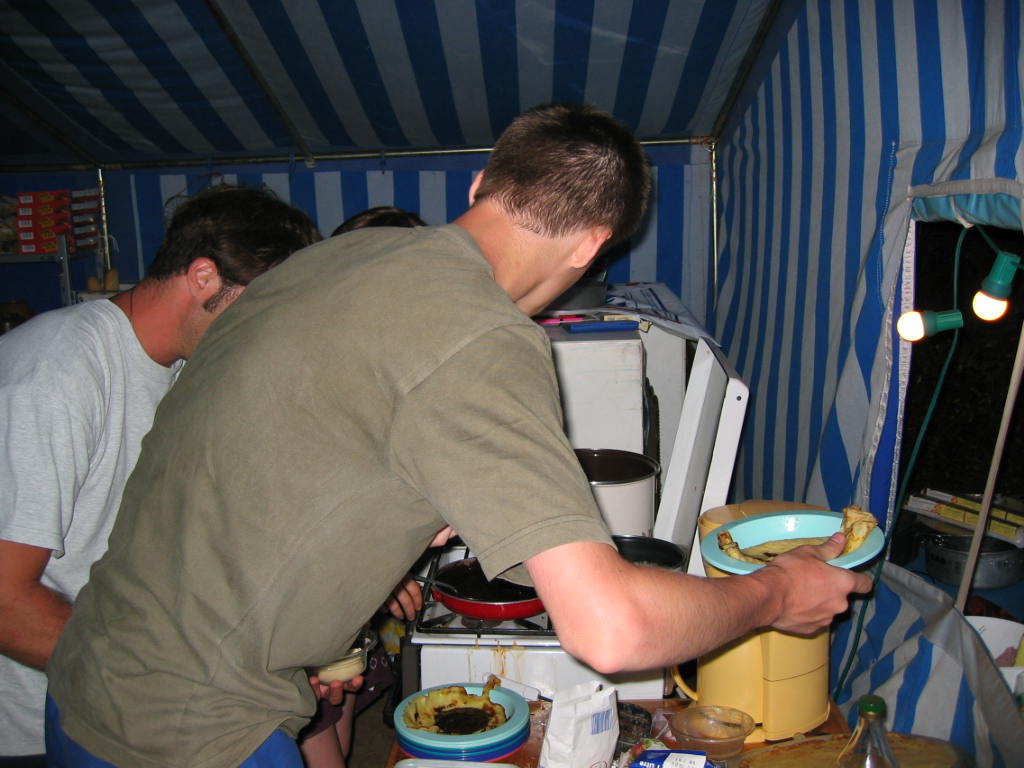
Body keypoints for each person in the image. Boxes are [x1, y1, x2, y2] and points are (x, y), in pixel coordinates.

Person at [45, 103, 872, 768]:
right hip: (191, 734)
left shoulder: (322, 265)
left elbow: (270, 456)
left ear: (479, 184)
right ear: (593, 246)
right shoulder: (480, 337)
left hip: (85, 681)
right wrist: (776, 593)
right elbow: (612, 628)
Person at [0, 184, 321, 765]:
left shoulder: (183, 371)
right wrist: (175, 687)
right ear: (203, 277)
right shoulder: (56, 374)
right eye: (264, 306)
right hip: (48, 717)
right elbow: (5, 599)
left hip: (125, 704)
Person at [300, 205, 426, 768]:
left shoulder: (378, 355)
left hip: (345, 603)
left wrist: (382, 568)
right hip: (300, 604)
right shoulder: (311, 364)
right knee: (319, 740)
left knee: (339, 732)